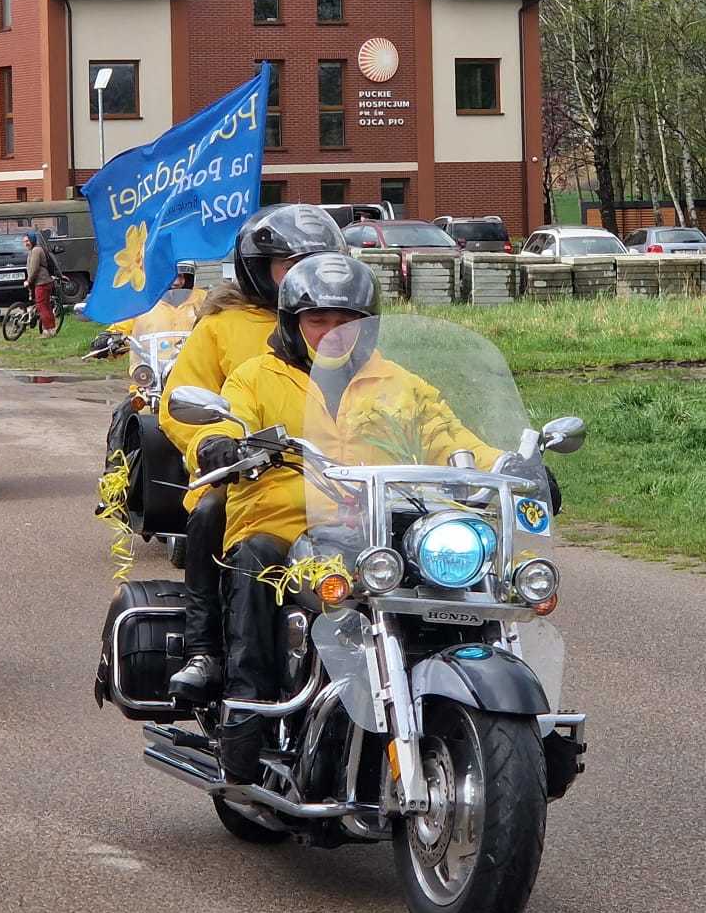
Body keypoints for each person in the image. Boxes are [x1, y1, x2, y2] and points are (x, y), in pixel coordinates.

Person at [190, 253, 495, 782]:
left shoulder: (401, 383)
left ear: (369, 326)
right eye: (318, 321)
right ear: (291, 323)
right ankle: (247, 707)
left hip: (381, 526)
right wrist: (216, 444)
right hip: (286, 521)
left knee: (458, 572)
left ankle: (479, 710)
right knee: (255, 560)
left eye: (346, 321)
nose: (333, 333)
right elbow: (220, 423)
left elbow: (453, 440)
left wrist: (511, 466)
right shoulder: (255, 377)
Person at [161, 204, 349, 703]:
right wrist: (213, 445)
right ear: (256, 268)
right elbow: (181, 398)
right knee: (209, 513)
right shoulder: (224, 325)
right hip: (247, 475)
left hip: (341, 476)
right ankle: (206, 651)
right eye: (290, 265)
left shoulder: (343, 322)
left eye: (317, 261)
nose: (303, 276)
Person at [23, 233, 62, 336]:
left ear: (32, 240)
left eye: (27, 241)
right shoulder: (35, 250)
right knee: (47, 307)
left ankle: (47, 331)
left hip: (41, 283)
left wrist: (29, 281)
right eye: (24, 241)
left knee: (42, 307)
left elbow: (34, 268)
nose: (26, 243)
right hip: (46, 282)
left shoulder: (36, 251)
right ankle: (52, 329)